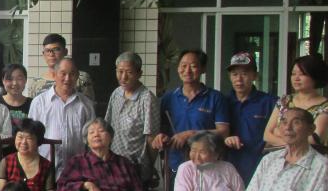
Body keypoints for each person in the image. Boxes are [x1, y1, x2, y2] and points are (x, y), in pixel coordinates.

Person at [154, 49, 230, 174]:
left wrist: (190, 134)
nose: (187, 70)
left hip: (207, 166)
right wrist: (161, 137)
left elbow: (224, 132)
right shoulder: (168, 98)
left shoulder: (216, 98)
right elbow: (162, 130)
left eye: (193, 66)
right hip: (175, 165)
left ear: (203, 69)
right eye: (183, 66)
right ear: (178, 68)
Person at [27, 57, 95, 175]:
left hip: (78, 171)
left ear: (77, 76)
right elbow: (30, 136)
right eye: (63, 74)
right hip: (45, 170)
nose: (67, 79)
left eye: (72, 74)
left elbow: (92, 140)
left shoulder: (86, 104)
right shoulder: (39, 102)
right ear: (54, 75)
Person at [105, 51, 160, 183]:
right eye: (120, 71)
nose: (123, 77)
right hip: (113, 164)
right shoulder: (116, 93)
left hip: (136, 167)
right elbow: (107, 127)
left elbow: (151, 138)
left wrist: (149, 167)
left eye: (129, 72)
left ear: (139, 73)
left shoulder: (147, 99)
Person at [222, 51, 276, 185]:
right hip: (227, 169)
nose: (239, 79)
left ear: (254, 76)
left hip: (260, 168)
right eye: (234, 74)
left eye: (244, 74)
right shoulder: (222, 102)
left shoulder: (270, 102)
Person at [263, 54, 328, 148]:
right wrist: (293, 142)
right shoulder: (285, 100)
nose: (296, 78)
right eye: (293, 74)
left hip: (310, 156)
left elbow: (313, 140)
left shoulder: (327, 106)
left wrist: (278, 132)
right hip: (278, 156)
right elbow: (267, 135)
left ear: (316, 76)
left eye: (302, 74)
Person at [0, 118, 58, 191]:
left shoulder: (46, 166)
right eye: (20, 137)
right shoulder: (6, 162)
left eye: (29, 138)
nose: (23, 142)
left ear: (38, 141)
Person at [26, 33, 95, 99]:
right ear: (43, 54)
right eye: (48, 50)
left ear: (65, 52)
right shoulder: (36, 83)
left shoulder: (80, 78)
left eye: (56, 49)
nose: (51, 54)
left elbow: (88, 105)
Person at [0, 62, 31, 127]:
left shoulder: (33, 104)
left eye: (19, 79)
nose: (15, 83)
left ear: (25, 80)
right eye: (10, 79)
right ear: (3, 81)